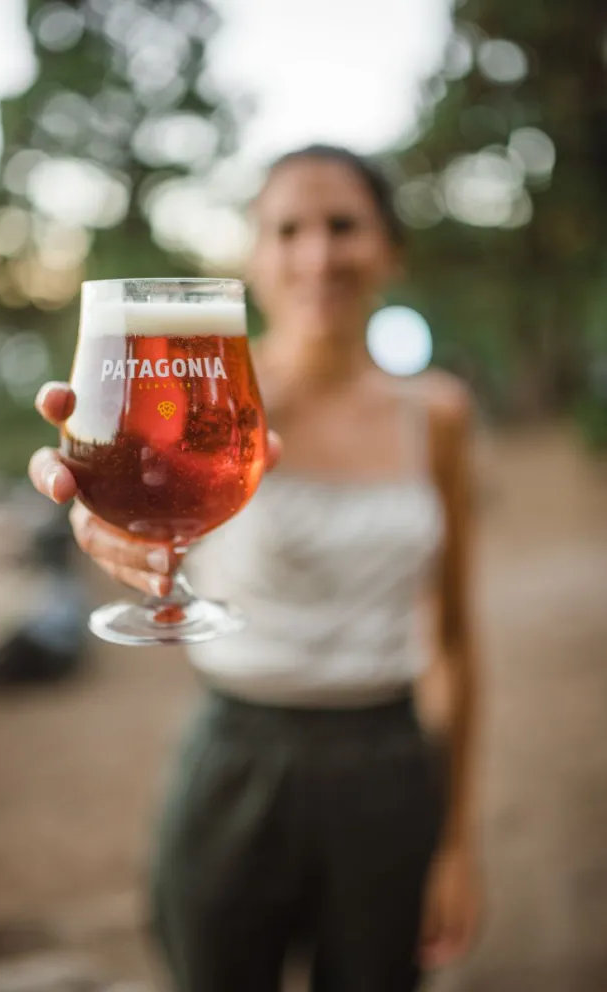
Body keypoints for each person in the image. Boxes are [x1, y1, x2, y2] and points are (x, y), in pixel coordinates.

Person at [29, 144, 481, 992]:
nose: (317, 253)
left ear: (390, 247)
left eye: (343, 225)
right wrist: (105, 520)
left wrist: (457, 840)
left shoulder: (439, 415)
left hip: (390, 763)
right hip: (237, 758)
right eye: (288, 229)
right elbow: (144, 489)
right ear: (253, 256)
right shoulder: (206, 400)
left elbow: (455, 639)